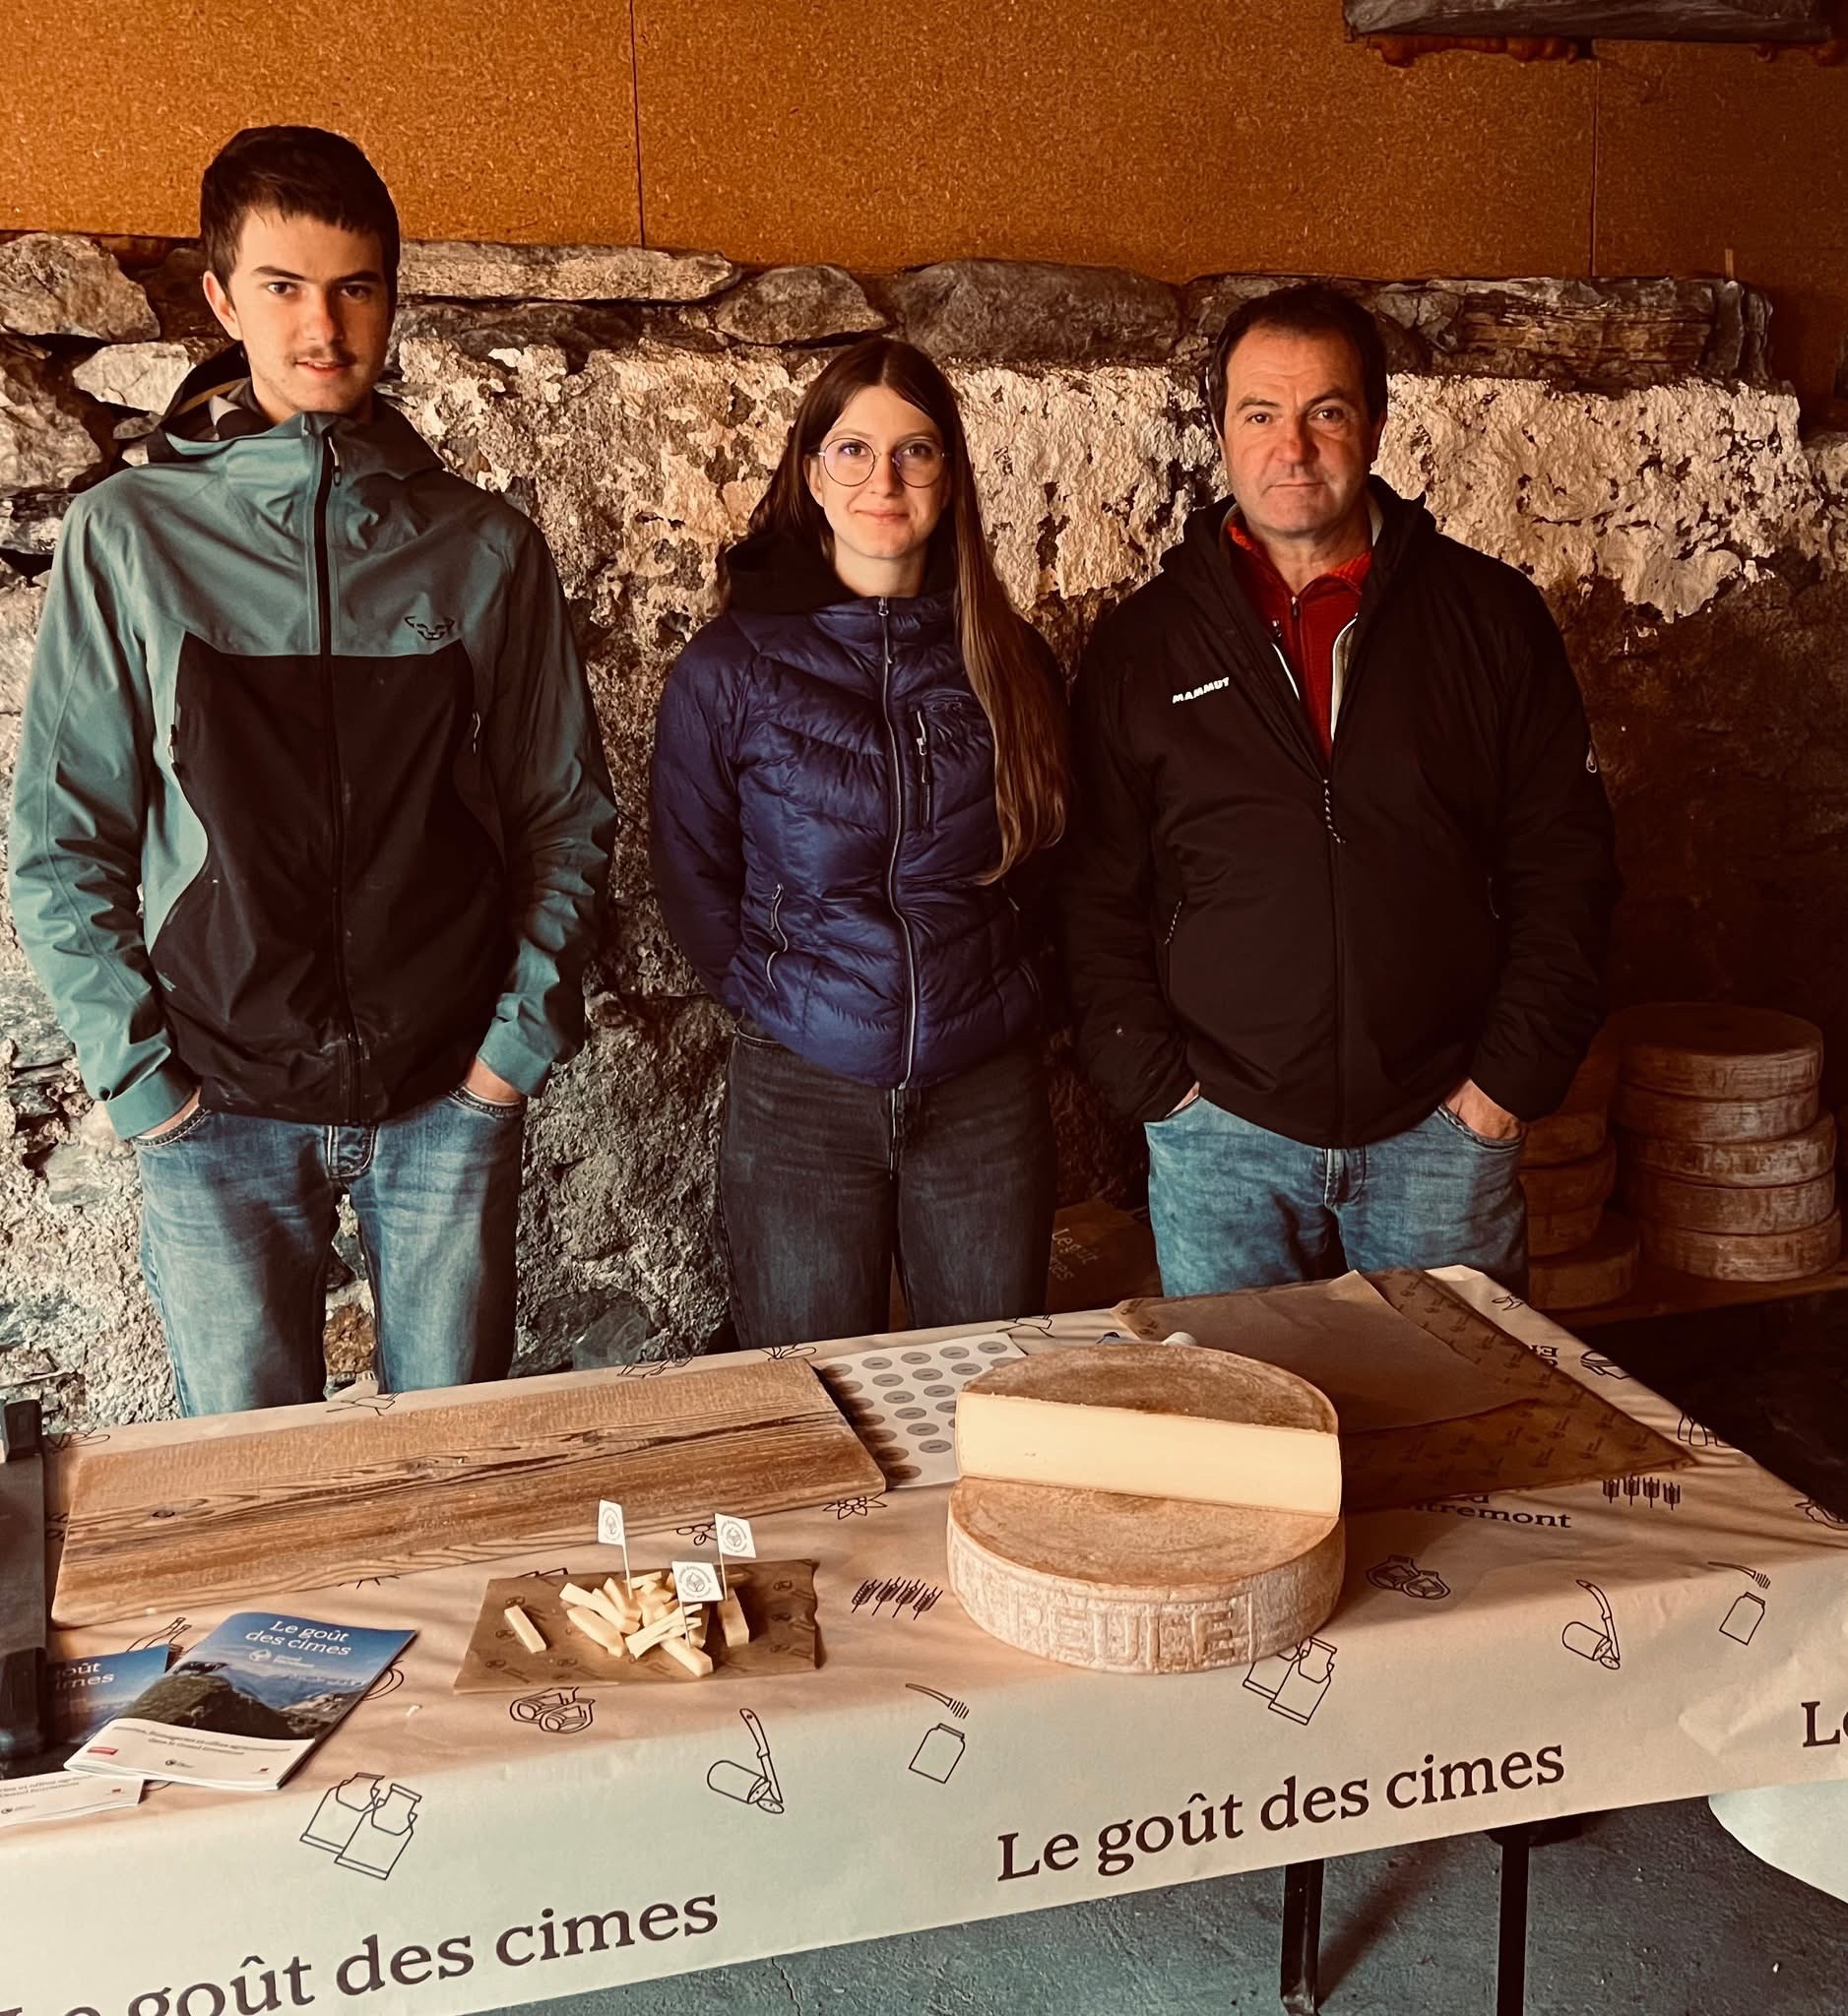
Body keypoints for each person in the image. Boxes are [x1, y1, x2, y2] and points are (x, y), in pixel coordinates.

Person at [9, 126, 616, 1413]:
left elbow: (562, 810)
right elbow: (64, 839)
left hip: (446, 1094)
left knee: (452, 1466)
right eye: (283, 286)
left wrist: (509, 1051)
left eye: (355, 287)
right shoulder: (130, 535)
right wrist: (143, 1085)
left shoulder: (485, 548)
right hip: (214, 1105)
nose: (322, 326)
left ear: (391, 298)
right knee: (251, 1490)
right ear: (224, 300)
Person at [1059, 284, 1617, 1295]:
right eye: (1258, 415)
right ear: (1219, 433)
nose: (1292, 448)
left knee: (1457, 1396)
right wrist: (1157, 1088)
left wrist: (1502, 1086)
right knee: (1243, 1403)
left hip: (1440, 1134)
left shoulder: (1489, 619)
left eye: (1324, 411)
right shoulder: (1144, 644)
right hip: (1221, 1140)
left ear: (1375, 425)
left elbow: (1565, 865)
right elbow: (1097, 889)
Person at [651, 337, 1068, 1348]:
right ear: (810, 473)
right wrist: (773, 991)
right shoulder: (729, 667)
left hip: (982, 1088)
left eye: (914, 452)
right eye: (853, 450)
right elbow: (691, 868)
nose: (883, 481)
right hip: (801, 1085)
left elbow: (1058, 858)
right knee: (809, 1386)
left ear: (949, 476)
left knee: (990, 1382)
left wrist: (1011, 991)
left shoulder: (1010, 659)